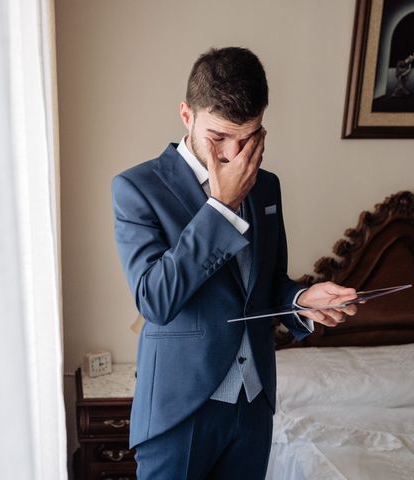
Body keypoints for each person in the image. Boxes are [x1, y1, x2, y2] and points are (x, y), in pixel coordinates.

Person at [111, 47, 358, 479]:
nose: (234, 153)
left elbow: (266, 284)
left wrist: (302, 299)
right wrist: (221, 206)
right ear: (187, 115)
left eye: (250, 136)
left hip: (253, 405)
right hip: (179, 410)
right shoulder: (137, 188)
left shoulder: (266, 187)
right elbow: (155, 299)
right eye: (219, 137)